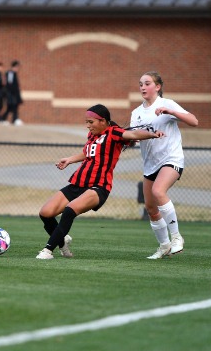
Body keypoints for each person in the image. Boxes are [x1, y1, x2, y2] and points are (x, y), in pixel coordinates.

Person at [36, 104, 164, 260]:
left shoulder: (114, 133)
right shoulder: (92, 135)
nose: (88, 125)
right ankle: (62, 241)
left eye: (91, 122)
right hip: (78, 183)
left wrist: (152, 134)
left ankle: (47, 250)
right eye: (86, 122)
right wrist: (69, 159)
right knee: (45, 213)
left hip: (99, 187)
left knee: (69, 210)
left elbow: (133, 134)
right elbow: (88, 153)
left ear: (103, 121)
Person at [130, 71, 198, 259]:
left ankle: (176, 237)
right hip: (150, 164)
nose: (143, 87)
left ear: (158, 86)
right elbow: (134, 137)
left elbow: (194, 121)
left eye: (147, 83)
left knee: (158, 191)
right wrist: (128, 140)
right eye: (140, 84)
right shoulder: (136, 113)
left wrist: (172, 112)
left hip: (171, 159)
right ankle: (164, 246)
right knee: (151, 208)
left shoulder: (167, 104)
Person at [1, 60, 23, 125]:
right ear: (14, 66)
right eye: (17, 67)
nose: (18, 69)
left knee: (12, 107)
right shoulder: (10, 73)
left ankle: (12, 119)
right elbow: (9, 84)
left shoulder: (13, 74)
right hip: (11, 94)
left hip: (13, 94)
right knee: (13, 107)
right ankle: (14, 119)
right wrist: (12, 93)